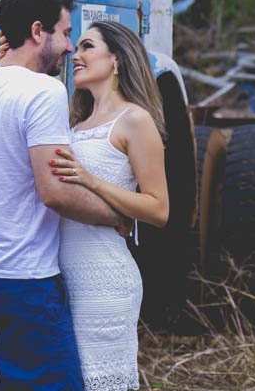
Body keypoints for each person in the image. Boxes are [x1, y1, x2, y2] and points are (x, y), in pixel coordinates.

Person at [0, 0, 127, 390]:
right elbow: (56, 192)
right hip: (22, 284)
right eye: (63, 34)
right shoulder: (43, 91)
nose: (68, 48)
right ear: (38, 31)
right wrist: (116, 215)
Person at [48, 20, 169, 391]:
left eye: (87, 46)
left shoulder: (135, 119)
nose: (76, 55)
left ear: (116, 59)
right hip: (64, 279)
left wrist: (91, 180)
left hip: (105, 282)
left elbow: (158, 208)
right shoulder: (76, 123)